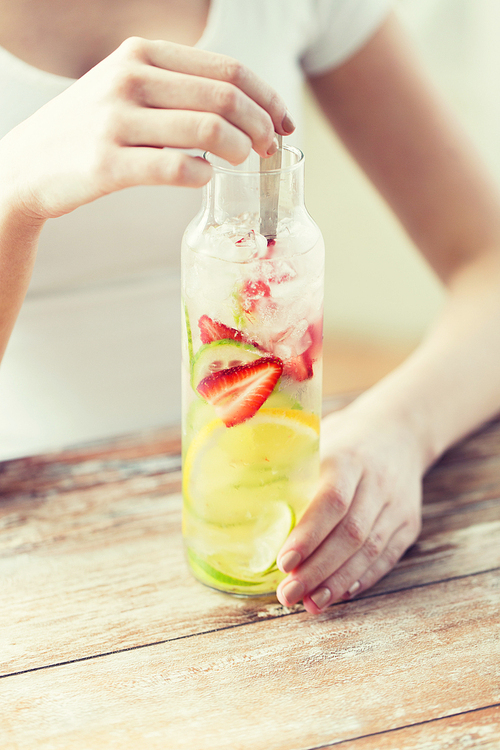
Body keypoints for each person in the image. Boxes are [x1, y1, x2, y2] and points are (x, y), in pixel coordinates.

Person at [1, 0, 500, 615]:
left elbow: (491, 269)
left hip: (274, 512)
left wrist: (402, 428)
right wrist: (13, 186)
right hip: (36, 545)